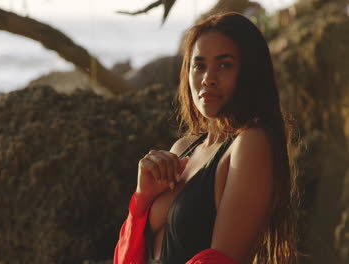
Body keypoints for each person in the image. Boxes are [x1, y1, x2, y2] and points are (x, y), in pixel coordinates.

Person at [114, 12, 298, 264]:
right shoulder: (183, 148)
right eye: (199, 65)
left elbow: (220, 260)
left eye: (224, 65)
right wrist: (142, 196)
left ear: (249, 72)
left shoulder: (250, 145)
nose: (208, 78)